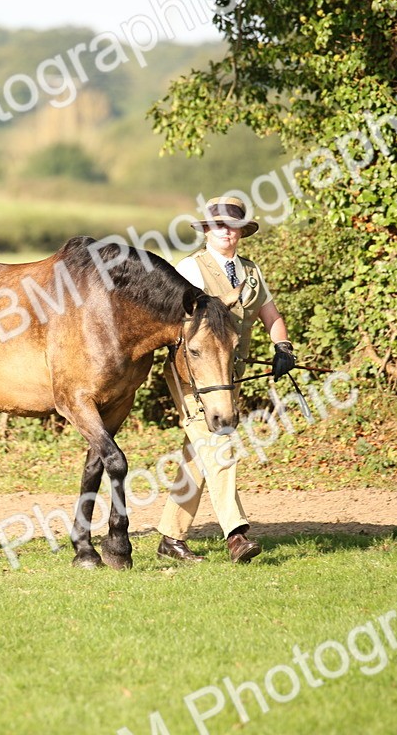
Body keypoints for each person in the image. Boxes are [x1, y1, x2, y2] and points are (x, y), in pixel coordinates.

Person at [156, 196, 296, 564]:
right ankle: (236, 534)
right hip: (195, 375)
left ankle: (171, 537)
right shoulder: (190, 269)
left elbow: (270, 313)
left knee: (199, 454)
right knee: (220, 445)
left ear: (240, 232)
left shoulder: (251, 272)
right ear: (206, 231)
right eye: (218, 226)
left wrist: (283, 345)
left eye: (232, 227)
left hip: (229, 375)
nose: (226, 232)